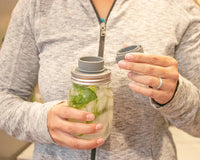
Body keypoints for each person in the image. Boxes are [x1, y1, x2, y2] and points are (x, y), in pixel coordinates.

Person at [0, 0, 200, 159]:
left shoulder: (180, 8)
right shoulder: (35, 5)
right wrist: (43, 121)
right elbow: (4, 98)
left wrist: (176, 95)